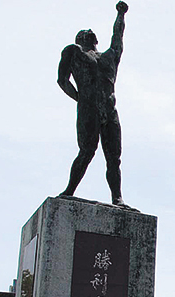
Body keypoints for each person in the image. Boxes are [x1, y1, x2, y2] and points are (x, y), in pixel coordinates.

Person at [58, 1, 130, 207]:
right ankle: (69, 190)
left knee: (114, 158)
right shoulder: (74, 52)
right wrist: (80, 99)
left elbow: (118, 35)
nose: (88, 32)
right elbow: (62, 80)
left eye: (90, 33)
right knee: (87, 151)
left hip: (110, 110)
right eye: (84, 33)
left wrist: (121, 15)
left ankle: (117, 197)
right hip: (89, 108)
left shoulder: (110, 56)